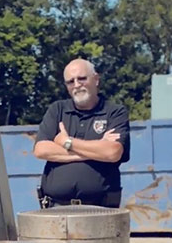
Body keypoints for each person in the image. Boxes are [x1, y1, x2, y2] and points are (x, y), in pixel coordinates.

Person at [33, 59, 130, 208]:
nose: (77, 85)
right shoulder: (57, 110)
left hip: (101, 209)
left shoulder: (115, 112)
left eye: (82, 78)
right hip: (56, 208)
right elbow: (41, 150)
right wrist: (96, 150)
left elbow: (112, 153)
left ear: (96, 79)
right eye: (70, 82)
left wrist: (67, 142)